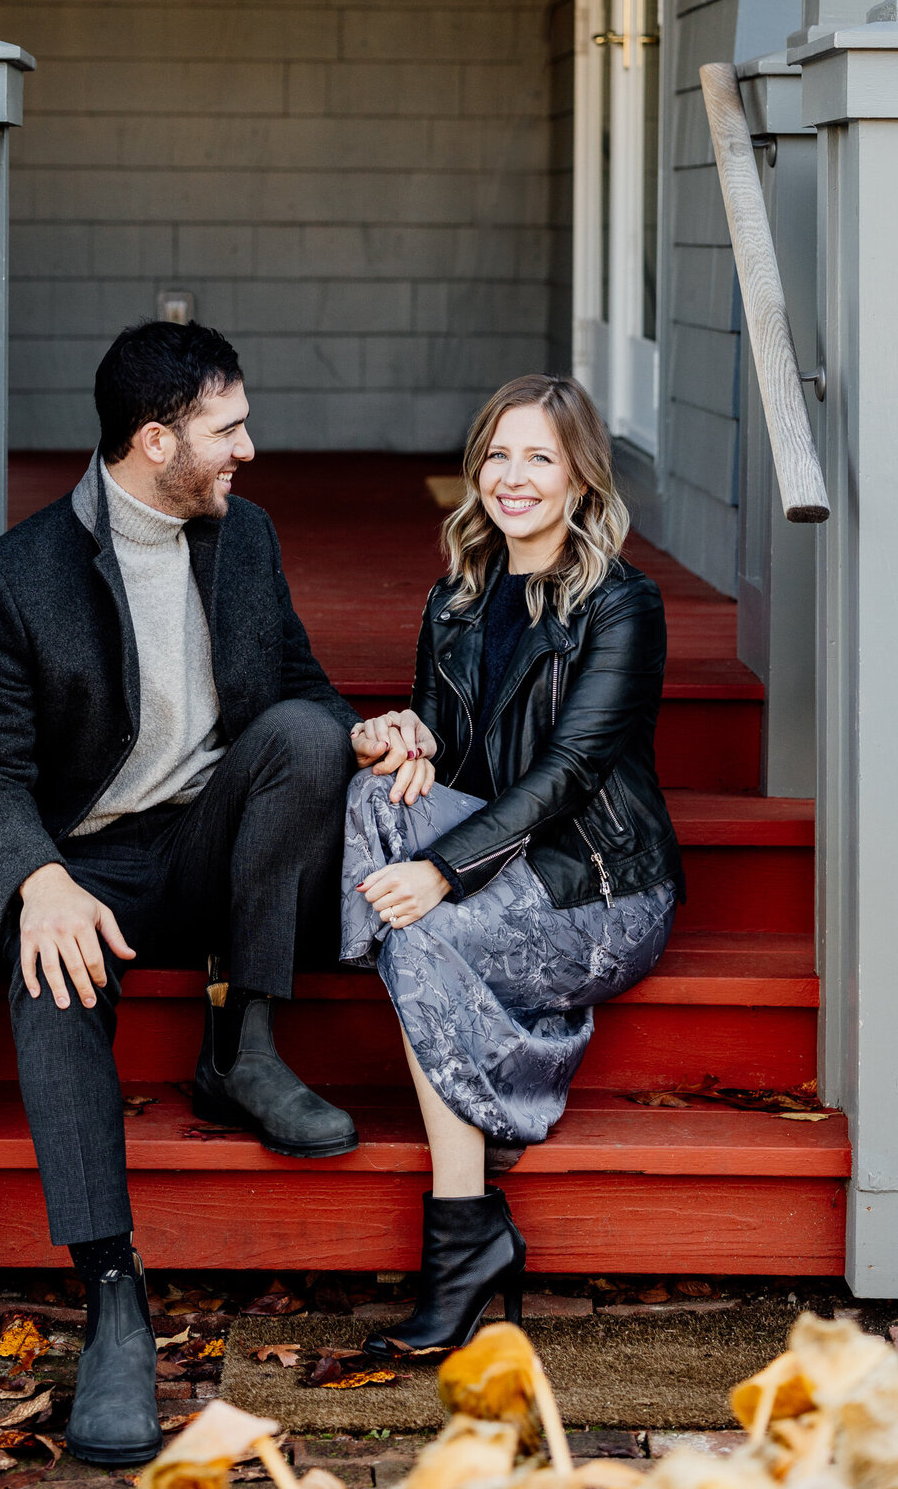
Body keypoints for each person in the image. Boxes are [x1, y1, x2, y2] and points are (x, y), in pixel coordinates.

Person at [0, 321, 399, 1469]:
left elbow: (296, 684)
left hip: (207, 850)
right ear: (156, 442)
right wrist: (35, 877)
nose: (249, 448)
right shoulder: (17, 578)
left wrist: (368, 730)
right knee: (47, 971)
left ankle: (241, 1046)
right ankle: (112, 1300)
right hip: (87, 862)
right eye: (227, 428)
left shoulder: (241, 537)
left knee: (305, 735)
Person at [341, 373, 684, 1354]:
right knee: (370, 793)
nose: (513, 476)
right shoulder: (455, 596)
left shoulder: (624, 606)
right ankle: (450, 1027)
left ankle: (464, 1236)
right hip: (496, 858)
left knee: (417, 938)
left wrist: (441, 872)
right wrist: (400, 738)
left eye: (539, 456)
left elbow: (572, 772)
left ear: (581, 476)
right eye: (497, 453)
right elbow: (445, 752)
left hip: (599, 888)